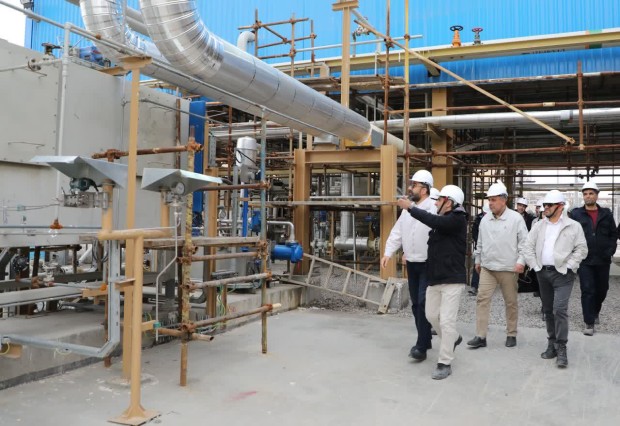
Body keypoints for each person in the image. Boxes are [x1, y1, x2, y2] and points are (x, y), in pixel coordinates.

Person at [397, 185, 467, 380]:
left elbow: (433, 220)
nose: (435, 203)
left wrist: (411, 207)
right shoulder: (442, 221)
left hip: (452, 279)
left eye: (439, 200)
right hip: (435, 278)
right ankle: (453, 338)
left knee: (446, 321)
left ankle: (444, 362)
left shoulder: (457, 219)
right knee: (430, 315)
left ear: (449, 202)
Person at [523, 190, 588, 368]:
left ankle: (561, 347)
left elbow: (582, 249)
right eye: (544, 205)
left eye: (549, 205)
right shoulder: (539, 226)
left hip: (563, 275)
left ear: (560, 206)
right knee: (548, 310)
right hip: (543, 273)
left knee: (559, 310)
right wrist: (535, 266)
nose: (545, 208)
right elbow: (527, 246)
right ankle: (551, 343)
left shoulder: (573, 226)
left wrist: (569, 266)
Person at [381, 170, 436, 361]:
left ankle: (421, 346)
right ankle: (426, 338)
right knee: (415, 304)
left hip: (428, 263)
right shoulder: (407, 210)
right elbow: (398, 232)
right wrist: (388, 252)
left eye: (414, 185)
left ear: (425, 189)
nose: (410, 188)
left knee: (422, 303)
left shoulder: (433, 208)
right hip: (412, 263)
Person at [468, 182, 528, 349]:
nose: (490, 203)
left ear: (504, 200)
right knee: (482, 299)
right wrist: (478, 260)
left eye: (493, 200)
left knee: (510, 302)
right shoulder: (485, 219)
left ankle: (511, 333)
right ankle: (480, 336)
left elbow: (525, 243)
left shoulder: (516, 219)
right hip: (488, 268)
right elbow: (480, 242)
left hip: (509, 268)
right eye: (489, 200)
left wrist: (521, 261)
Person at [569, 182, 617, 336]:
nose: (588, 196)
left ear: (597, 195)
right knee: (588, 289)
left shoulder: (606, 214)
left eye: (591, 193)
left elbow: (613, 234)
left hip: (603, 258)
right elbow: (570, 235)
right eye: (585, 194)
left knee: (602, 289)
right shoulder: (576, 214)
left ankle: (595, 311)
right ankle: (589, 321)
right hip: (585, 259)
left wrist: (610, 250)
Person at [469, 204, 489, 296]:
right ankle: (474, 286)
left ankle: (488, 285)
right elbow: (474, 232)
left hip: (491, 246)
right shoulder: (478, 219)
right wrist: (479, 242)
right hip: (480, 245)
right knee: (477, 264)